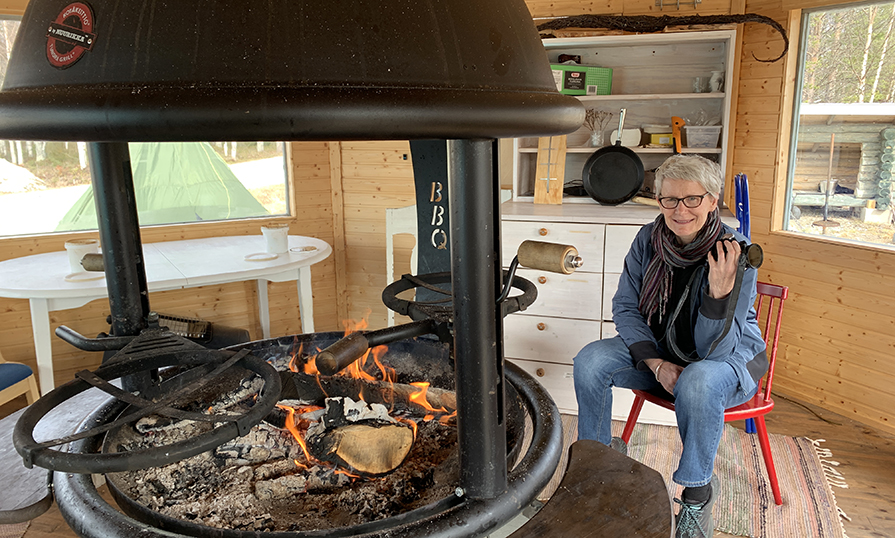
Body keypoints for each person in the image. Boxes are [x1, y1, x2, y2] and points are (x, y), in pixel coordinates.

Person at [573, 154, 767, 538]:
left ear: (713, 200)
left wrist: (719, 292)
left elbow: (716, 351)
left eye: (692, 199)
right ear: (658, 200)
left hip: (729, 360)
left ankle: (696, 497)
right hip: (663, 349)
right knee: (592, 360)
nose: (680, 211)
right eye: (669, 200)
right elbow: (625, 307)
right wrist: (656, 363)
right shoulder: (648, 238)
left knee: (698, 379)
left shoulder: (737, 253)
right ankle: (598, 465)